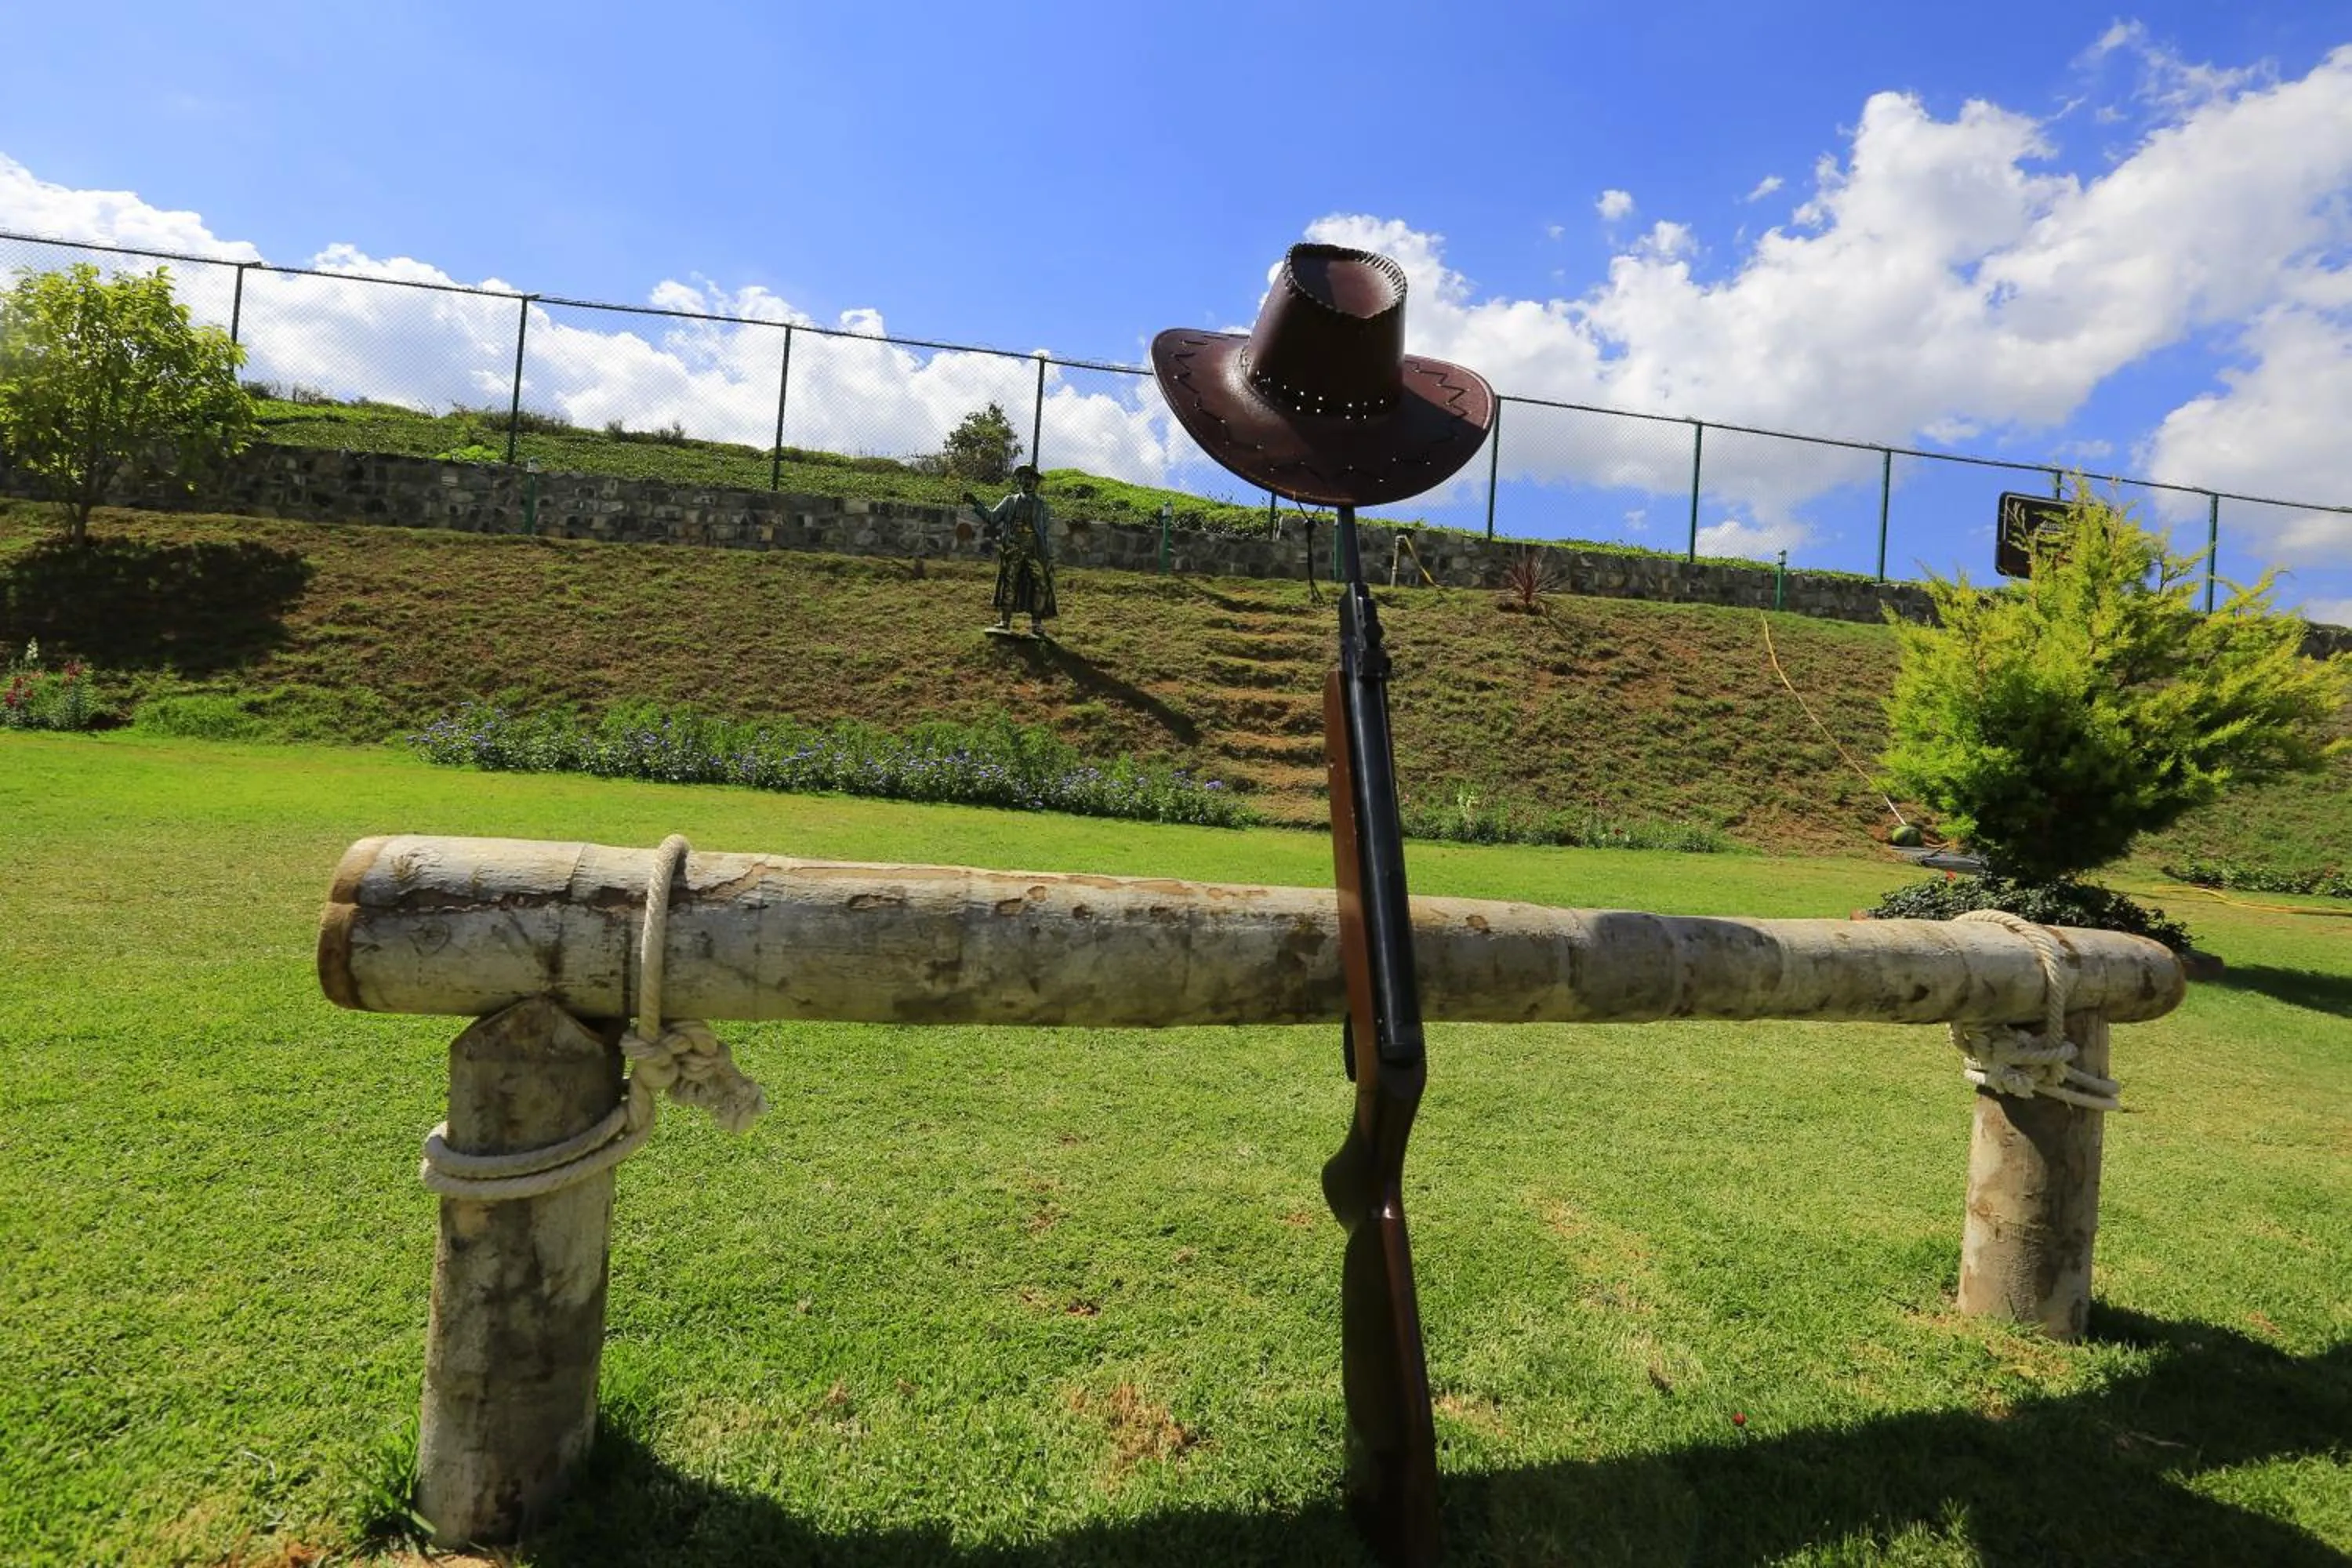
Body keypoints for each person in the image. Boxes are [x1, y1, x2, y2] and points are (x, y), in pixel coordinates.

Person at [964, 464, 1057, 636]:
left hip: (1035, 550)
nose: (1026, 481)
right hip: (1013, 548)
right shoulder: (1010, 501)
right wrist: (976, 503)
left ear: (1036, 482)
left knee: (1042, 584)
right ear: (1019, 481)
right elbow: (992, 518)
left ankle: (1036, 624)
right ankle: (1004, 621)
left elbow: (1044, 532)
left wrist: (1048, 556)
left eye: (1030, 478)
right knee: (1009, 583)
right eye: (1023, 478)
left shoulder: (1042, 506)